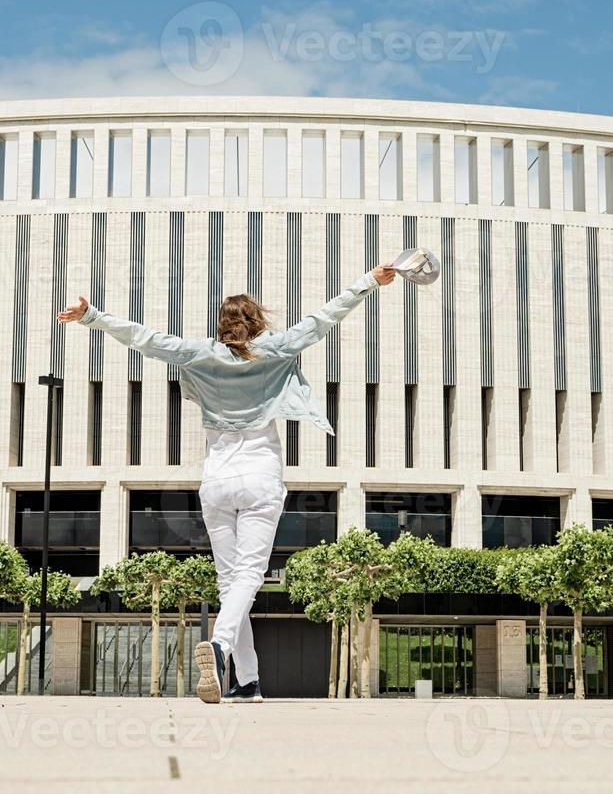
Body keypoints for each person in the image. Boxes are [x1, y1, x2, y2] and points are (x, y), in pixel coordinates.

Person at [60, 264, 398, 703]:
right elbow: (322, 319)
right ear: (256, 322)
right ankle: (220, 647)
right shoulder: (275, 350)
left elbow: (144, 338)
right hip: (260, 476)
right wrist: (369, 281)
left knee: (230, 582)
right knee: (250, 575)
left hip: (216, 480)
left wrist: (91, 316)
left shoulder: (198, 354)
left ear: (221, 326)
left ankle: (248, 681)